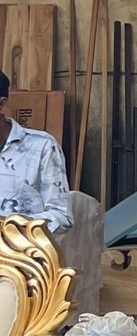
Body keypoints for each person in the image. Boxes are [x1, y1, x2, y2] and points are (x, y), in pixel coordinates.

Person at [0, 70, 72, 231]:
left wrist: (12, 227)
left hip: (19, 253)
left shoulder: (41, 146)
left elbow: (61, 217)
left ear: (2, 104)